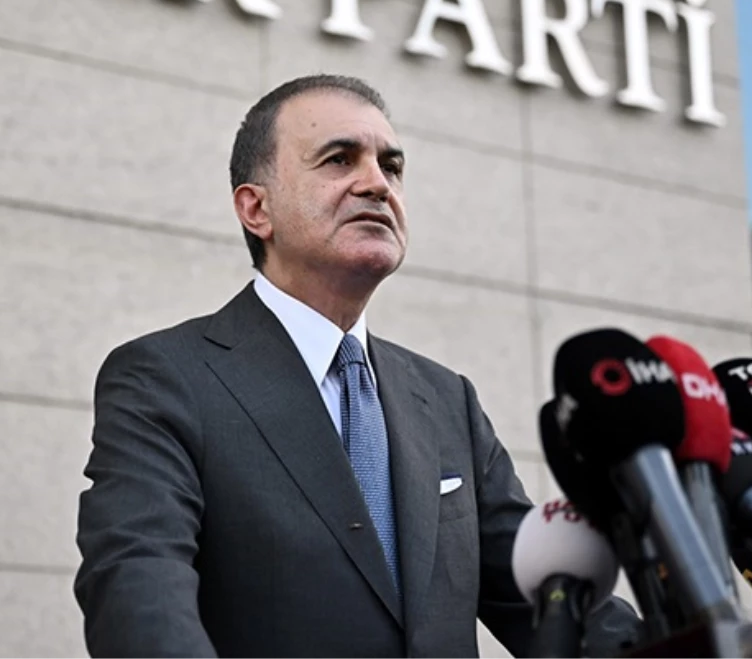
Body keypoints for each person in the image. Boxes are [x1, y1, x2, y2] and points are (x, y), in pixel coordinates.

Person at [74, 74, 537, 658]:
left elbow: (553, 601)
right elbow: (136, 590)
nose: (377, 184)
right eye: (339, 159)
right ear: (256, 208)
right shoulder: (164, 379)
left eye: (391, 166)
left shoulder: (448, 401)